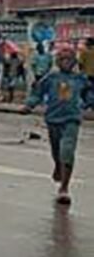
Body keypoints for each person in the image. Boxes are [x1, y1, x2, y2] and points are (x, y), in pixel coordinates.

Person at [22, 46, 90, 206]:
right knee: (56, 151)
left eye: (69, 59)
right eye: (62, 59)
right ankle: (58, 166)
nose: (66, 62)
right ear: (57, 61)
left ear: (74, 61)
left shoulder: (80, 79)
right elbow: (37, 93)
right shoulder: (51, 78)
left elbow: (89, 94)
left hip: (72, 119)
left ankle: (64, 188)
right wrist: (29, 105)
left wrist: (88, 103)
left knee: (67, 150)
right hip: (53, 119)